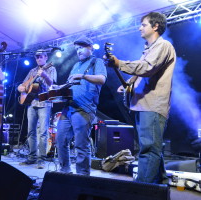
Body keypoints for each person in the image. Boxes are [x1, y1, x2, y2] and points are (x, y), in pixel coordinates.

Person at [104, 12, 176, 184]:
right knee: (153, 149)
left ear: (155, 26)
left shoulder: (163, 45)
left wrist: (119, 63)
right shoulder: (149, 50)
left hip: (152, 106)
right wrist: (128, 84)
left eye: (143, 24)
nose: (139, 27)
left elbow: (147, 68)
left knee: (149, 150)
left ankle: (142, 190)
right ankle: (161, 186)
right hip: (143, 105)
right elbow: (143, 73)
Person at [56, 36, 107, 175]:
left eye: (81, 47)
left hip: (84, 109)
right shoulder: (76, 66)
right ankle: (65, 171)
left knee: (81, 145)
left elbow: (102, 79)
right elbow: (69, 85)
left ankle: (82, 177)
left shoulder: (97, 62)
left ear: (90, 47)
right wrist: (57, 88)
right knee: (60, 139)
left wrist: (83, 76)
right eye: (77, 48)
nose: (78, 51)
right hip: (68, 108)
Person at [18, 50, 57, 169]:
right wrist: (21, 88)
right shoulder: (32, 71)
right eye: (37, 57)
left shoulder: (51, 68)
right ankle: (32, 157)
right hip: (31, 103)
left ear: (46, 57)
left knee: (43, 132)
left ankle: (41, 160)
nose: (38, 58)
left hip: (45, 103)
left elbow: (53, 85)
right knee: (31, 131)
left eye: (41, 56)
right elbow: (23, 85)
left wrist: (44, 75)